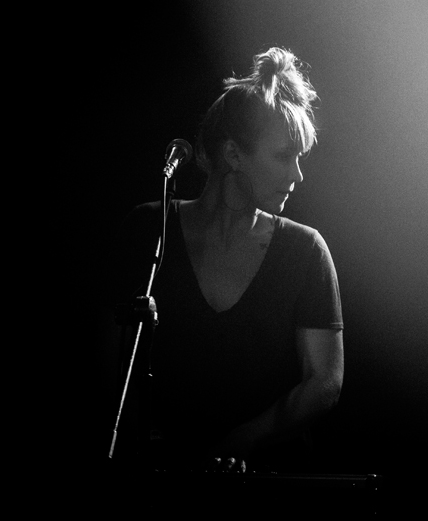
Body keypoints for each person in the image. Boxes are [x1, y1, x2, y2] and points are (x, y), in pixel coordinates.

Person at [114, 47, 343, 471]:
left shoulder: (305, 252)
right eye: (283, 155)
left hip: (266, 485)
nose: (298, 175)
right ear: (233, 155)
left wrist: (244, 440)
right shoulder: (149, 230)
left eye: (299, 157)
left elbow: (324, 382)